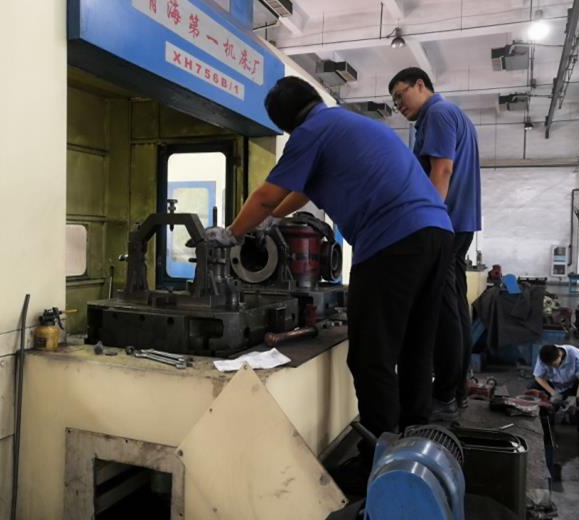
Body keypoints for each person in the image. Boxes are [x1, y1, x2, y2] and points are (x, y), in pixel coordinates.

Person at [206, 76, 454, 490]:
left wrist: (231, 234)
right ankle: (416, 449)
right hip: (437, 234)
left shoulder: (310, 133)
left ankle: (379, 461)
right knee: (416, 347)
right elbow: (297, 195)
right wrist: (272, 220)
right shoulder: (347, 123)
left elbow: (266, 195)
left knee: (371, 356)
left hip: (392, 240)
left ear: (287, 125)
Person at [388, 67, 481, 418]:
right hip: (460, 222)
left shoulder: (438, 114)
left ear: (421, 85)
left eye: (401, 95)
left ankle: (444, 395)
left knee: (443, 311)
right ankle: (456, 390)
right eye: (394, 101)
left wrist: (426, 221)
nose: (399, 105)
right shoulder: (451, 114)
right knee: (455, 306)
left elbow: (441, 170)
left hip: (445, 223)